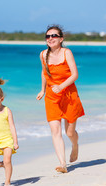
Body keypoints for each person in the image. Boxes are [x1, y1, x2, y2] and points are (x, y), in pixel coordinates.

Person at [36, 25, 85, 173]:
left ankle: (75, 146)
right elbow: (44, 73)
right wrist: (43, 90)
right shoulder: (43, 54)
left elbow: (75, 75)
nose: (50, 38)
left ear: (61, 38)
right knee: (55, 131)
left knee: (69, 132)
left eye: (54, 36)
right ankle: (63, 164)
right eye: (48, 36)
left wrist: (61, 86)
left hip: (69, 95)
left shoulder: (67, 53)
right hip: (51, 96)